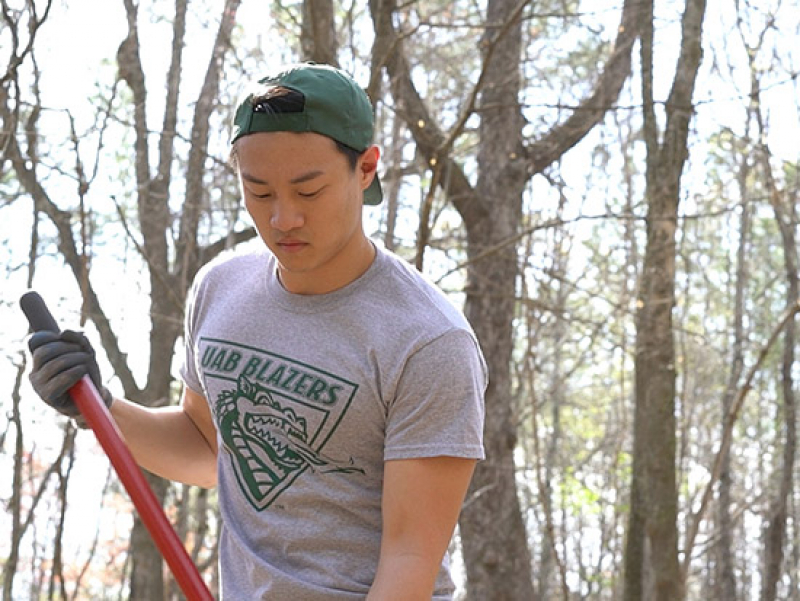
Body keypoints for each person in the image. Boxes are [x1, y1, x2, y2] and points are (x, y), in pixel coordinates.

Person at [27, 63, 486, 600]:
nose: (283, 218)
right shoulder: (221, 289)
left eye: (308, 192)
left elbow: (411, 556)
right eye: (260, 192)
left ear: (365, 168)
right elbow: (208, 448)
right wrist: (98, 406)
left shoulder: (427, 340)